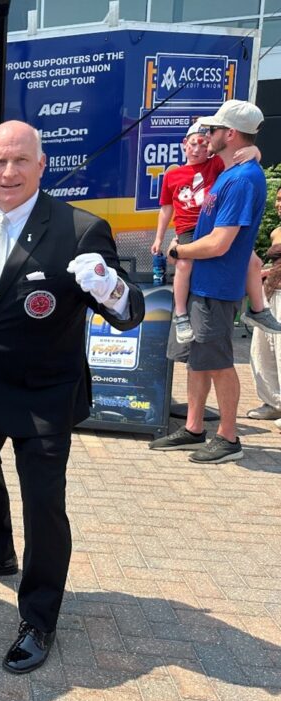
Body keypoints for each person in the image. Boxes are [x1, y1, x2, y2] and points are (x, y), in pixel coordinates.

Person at [0, 120, 144, 674]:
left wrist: (109, 285)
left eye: (20, 161)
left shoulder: (80, 229)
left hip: (43, 396)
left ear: (41, 164)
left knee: (44, 509)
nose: (8, 173)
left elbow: (128, 315)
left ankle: (38, 618)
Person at [151, 101, 269, 463]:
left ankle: (229, 438)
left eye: (213, 131)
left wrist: (178, 253)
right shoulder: (235, 171)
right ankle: (194, 428)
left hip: (217, 285)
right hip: (205, 284)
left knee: (218, 362)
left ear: (229, 134)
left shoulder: (243, 179)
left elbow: (220, 242)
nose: (207, 136)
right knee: (198, 360)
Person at [151, 121, 280, 341]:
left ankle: (257, 310)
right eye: (193, 144)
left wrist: (254, 151)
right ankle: (180, 314)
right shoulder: (172, 176)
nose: (198, 149)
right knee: (183, 264)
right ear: (184, 144)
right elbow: (166, 209)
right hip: (187, 229)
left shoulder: (215, 165)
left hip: (214, 226)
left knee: (255, 263)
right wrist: (159, 238)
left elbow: (240, 159)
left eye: (203, 144)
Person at [246, 188, 281, 425]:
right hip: (269, 292)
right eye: (278, 199)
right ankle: (273, 403)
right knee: (261, 351)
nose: (279, 204)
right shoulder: (276, 231)